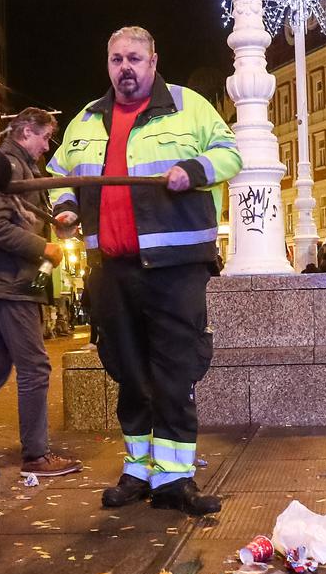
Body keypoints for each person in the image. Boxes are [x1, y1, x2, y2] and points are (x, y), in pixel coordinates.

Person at [48, 27, 241, 515]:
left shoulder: (188, 106)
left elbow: (231, 153)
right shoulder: (86, 120)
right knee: (129, 373)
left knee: (174, 373)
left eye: (134, 58)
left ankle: (174, 479)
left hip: (176, 268)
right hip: (112, 269)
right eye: (117, 59)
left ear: (154, 61)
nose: (125, 68)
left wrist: (192, 171)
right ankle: (139, 470)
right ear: (107, 64)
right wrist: (65, 208)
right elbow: (58, 175)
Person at [0, 108, 80, 479]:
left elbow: (16, 217)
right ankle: (36, 455)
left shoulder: (17, 168)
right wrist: (41, 247)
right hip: (9, 285)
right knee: (34, 367)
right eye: (44, 137)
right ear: (26, 131)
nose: (47, 146)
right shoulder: (7, 166)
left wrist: (55, 224)